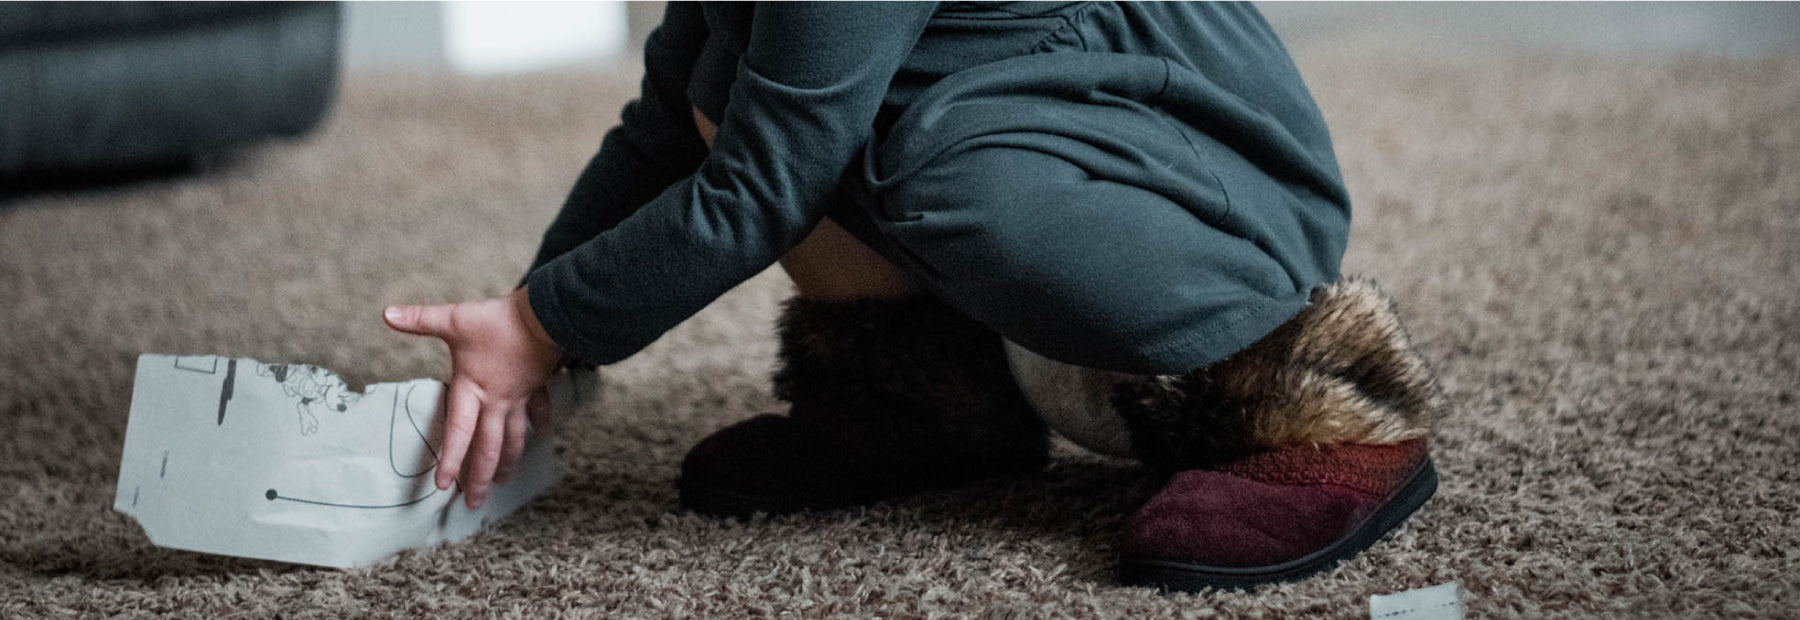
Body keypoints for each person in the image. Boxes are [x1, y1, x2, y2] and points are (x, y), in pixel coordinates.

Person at [382, 2, 1448, 591]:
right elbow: (663, 126)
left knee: (931, 171)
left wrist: (544, 325)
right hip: (1022, 110)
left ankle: (1305, 401)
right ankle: (928, 405)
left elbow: (765, 187)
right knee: (723, 80)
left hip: (1208, 169)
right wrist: (534, 326)